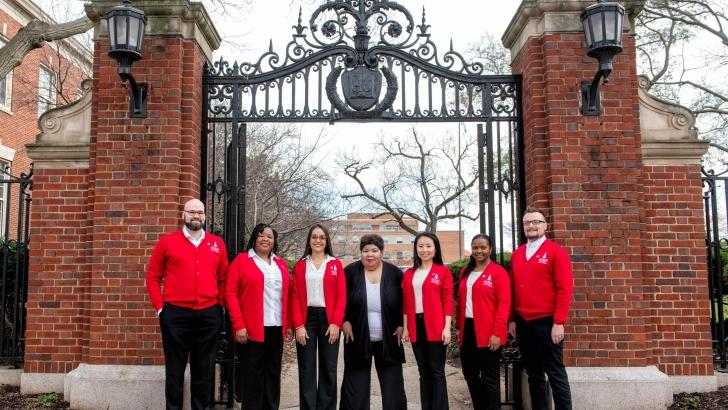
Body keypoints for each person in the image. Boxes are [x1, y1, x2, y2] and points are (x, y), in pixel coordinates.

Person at [145, 198, 228, 410]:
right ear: (184, 215)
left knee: (203, 371)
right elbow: (153, 276)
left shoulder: (217, 244)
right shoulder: (167, 242)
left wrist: (218, 306)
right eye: (191, 212)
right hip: (175, 315)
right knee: (174, 371)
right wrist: (160, 308)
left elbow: (224, 279)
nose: (196, 216)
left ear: (205, 216)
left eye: (200, 212)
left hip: (209, 315)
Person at [508, 207, 574, 410]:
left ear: (545, 225)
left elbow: (565, 288)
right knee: (534, 374)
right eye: (528, 222)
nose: (531, 225)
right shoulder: (518, 254)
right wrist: (512, 319)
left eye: (536, 222)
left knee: (555, 374)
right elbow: (512, 288)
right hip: (524, 323)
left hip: (547, 323)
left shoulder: (556, 252)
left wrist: (559, 322)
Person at [225, 223, 292, 410]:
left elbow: (288, 295)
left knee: (273, 376)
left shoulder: (280, 264)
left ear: (274, 241)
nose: (265, 239)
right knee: (253, 379)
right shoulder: (241, 261)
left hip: (276, 328)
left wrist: (288, 325)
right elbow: (230, 293)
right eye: (261, 235)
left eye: (270, 237)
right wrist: (238, 325)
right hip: (251, 330)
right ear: (254, 238)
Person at [340, 234, 407, 410]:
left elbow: (404, 301)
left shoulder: (395, 274)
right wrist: (344, 321)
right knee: (356, 386)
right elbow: (339, 300)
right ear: (360, 252)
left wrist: (401, 324)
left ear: (382, 252)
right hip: (357, 337)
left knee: (393, 387)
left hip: (390, 337)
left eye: (375, 250)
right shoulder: (349, 273)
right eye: (366, 250)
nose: (370, 254)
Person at [290, 224, 346, 410]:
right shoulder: (300, 265)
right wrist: (298, 325)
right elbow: (295, 296)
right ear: (309, 240)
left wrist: (336, 323)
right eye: (314, 237)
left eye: (322, 237)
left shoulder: (335, 264)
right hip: (307, 320)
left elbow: (341, 296)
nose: (318, 240)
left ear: (327, 241)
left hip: (329, 320)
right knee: (306, 368)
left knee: (329, 368)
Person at [456, 234, 510, 410]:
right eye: (475, 247)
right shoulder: (465, 271)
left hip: (489, 331)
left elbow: (504, 304)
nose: (479, 251)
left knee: (490, 377)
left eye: (483, 247)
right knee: (469, 373)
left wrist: (497, 333)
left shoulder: (498, 272)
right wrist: (458, 327)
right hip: (468, 329)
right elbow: (460, 301)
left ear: (490, 249)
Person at [402, 232, 453, 410]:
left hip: (436, 326)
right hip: (416, 325)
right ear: (416, 249)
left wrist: (447, 328)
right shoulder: (409, 273)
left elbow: (448, 301)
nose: (424, 250)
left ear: (435, 248)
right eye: (420, 246)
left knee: (437, 372)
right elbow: (406, 302)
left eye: (428, 246)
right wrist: (407, 327)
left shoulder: (443, 271)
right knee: (423, 372)